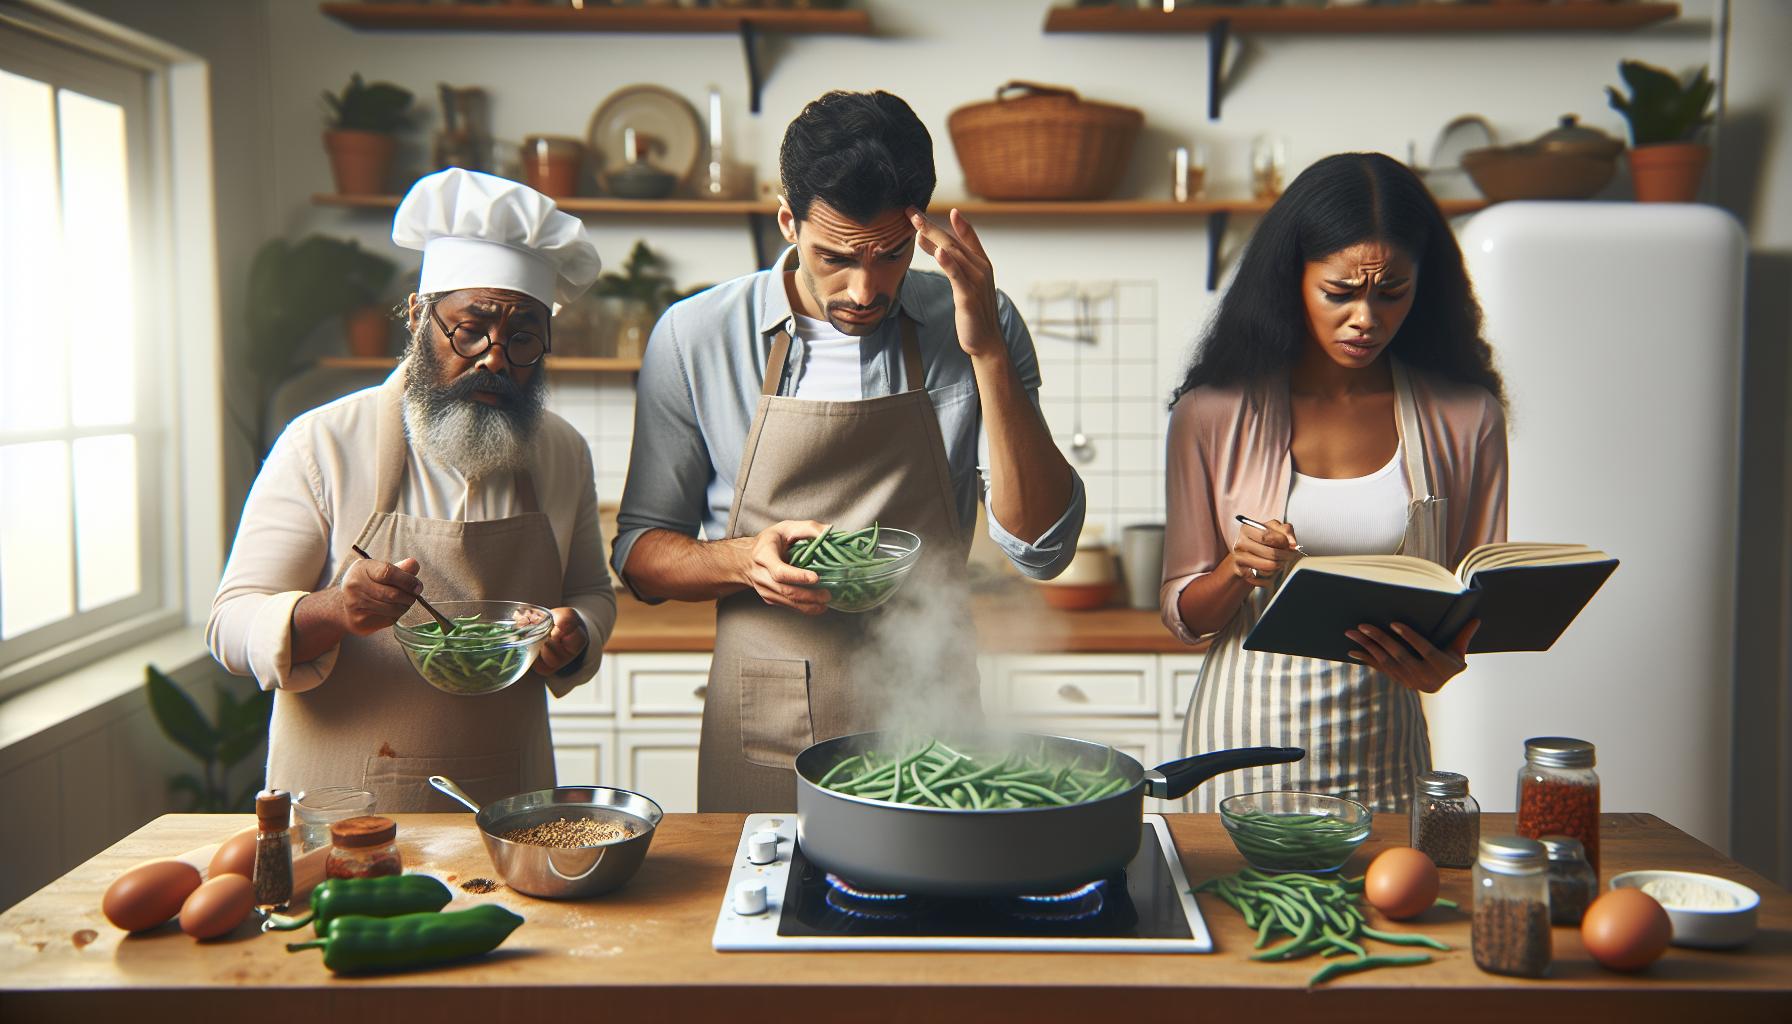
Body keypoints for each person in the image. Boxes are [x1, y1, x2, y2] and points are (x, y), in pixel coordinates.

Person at [613, 90, 1084, 812]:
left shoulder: (972, 319)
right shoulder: (695, 335)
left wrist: (985, 347)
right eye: (832, 256)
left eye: (891, 256)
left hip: (934, 712)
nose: (864, 289)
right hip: (766, 716)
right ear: (787, 222)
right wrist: (744, 560)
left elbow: (1041, 551)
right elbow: (641, 553)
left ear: (921, 233)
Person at [208, 169, 618, 812]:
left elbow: (590, 593)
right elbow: (231, 625)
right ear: (418, 315)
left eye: (523, 338)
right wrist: (335, 611)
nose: (494, 358)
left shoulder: (561, 452)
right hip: (340, 803)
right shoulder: (322, 442)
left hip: (510, 798)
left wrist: (575, 634)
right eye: (470, 327)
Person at [1161, 152, 1508, 813]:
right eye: (1340, 293)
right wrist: (1237, 570)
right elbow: (1185, 615)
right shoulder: (1210, 414)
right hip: (1240, 744)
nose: (1366, 320)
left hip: (1385, 750)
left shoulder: (1467, 419)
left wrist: (1446, 661)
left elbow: (1473, 601)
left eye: (1392, 292)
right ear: (1292, 280)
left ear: (1424, 287)